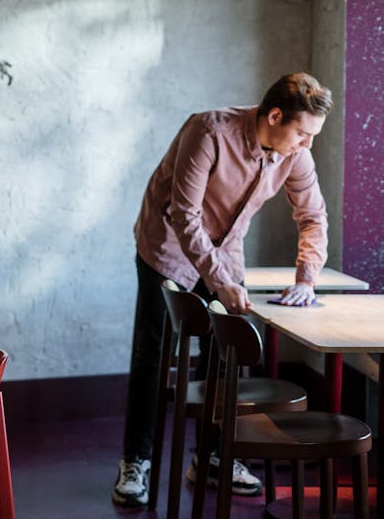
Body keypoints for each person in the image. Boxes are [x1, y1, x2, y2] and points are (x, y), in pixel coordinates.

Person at [112, 73, 332, 507]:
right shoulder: (208, 131)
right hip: (168, 244)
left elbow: (313, 216)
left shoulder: (296, 154)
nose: (308, 144)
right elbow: (185, 215)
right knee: (153, 352)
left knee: (224, 355)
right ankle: (135, 462)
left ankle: (211, 457)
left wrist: (307, 278)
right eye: (304, 133)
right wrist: (221, 284)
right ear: (274, 116)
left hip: (225, 247)